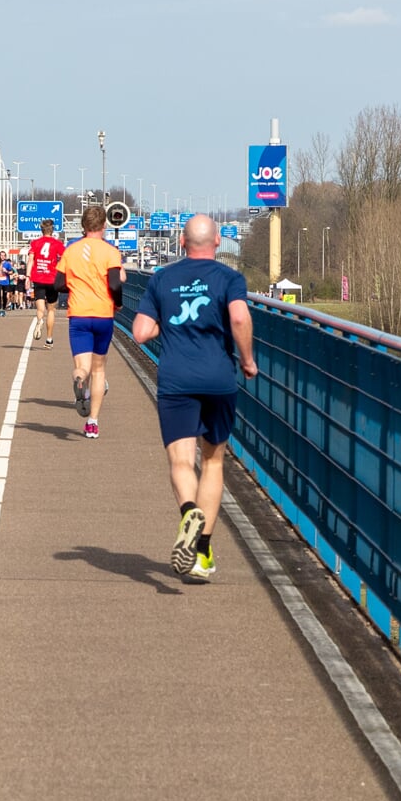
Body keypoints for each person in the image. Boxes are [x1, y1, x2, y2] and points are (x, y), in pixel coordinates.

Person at [131, 214, 257, 581]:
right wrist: (247, 360)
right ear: (218, 241)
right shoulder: (230, 279)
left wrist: (162, 324)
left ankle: (189, 512)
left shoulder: (162, 278)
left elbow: (139, 332)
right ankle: (202, 552)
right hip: (219, 378)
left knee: (181, 461)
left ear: (182, 243)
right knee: (213, 462)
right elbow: (238, 318)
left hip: (176, 380)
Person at [54, 205, 125, 439]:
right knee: (99, 369)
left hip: (79, 314)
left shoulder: (71, 251)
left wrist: (75, 286)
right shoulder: (110, 251)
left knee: (83, 367)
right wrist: (119, 302)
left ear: (83, 226)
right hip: (103, 314)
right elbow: (115, 283)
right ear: (104, 226)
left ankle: (78, 380)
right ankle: (92, 422)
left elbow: (58, 284)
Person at [27, 217, 64, 350]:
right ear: (52, 230)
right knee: (51, 310)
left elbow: (31, 260)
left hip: (38, 278)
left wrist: (27, 276)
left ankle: (39, 320)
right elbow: (64, 260)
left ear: (41, 230)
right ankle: (49, 339)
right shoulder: (58, 244)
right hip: (52, 279)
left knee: (40, 308)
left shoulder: (35, 243)